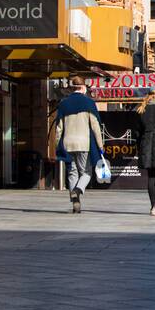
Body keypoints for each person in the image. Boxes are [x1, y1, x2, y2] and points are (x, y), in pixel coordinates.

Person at [54, 76, 104, 214]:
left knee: (72, 172)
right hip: (83, 143)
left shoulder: (64, 104)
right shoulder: (89, 103)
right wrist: (100, 145)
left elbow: (59, 127)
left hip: (68, 143)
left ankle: (75, 202)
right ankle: (77, 190)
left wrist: (57, 144)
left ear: (72, 88)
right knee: (86, 172)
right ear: (83, 87)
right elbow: (95, 126)